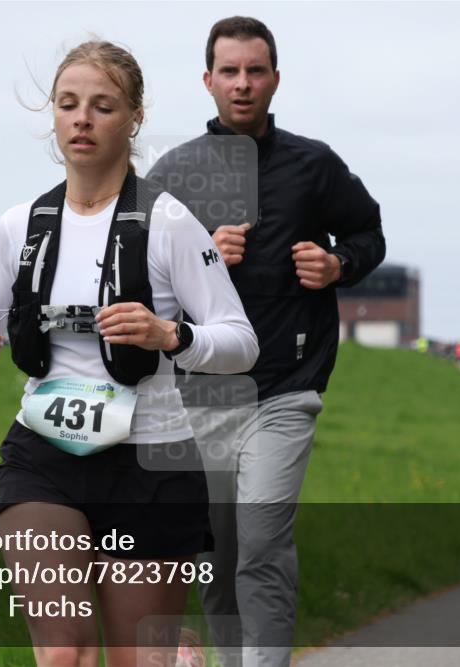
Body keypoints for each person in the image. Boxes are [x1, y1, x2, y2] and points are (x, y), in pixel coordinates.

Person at [0, 40, 259, 666]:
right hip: (43, 456)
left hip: (151, 463)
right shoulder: (20, 227)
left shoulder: (168, 223)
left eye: (102, 106)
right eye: (68, 105)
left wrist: (172, 336)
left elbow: (241, 342)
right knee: (64, 653)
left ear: (133, 117)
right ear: (54, 117)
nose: (82, 119)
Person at [147, 17, 385, 667]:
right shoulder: (173, 174)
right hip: (201, 396)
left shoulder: (314, 166)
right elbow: (142, 288)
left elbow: (369, 232)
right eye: (230, 71)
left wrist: (339, 264)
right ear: (208, 81)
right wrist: (200, 256)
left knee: (259, 545)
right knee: (217, 562)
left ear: (275, 79)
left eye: (256, 70)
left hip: (287, 386)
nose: (243, 84)